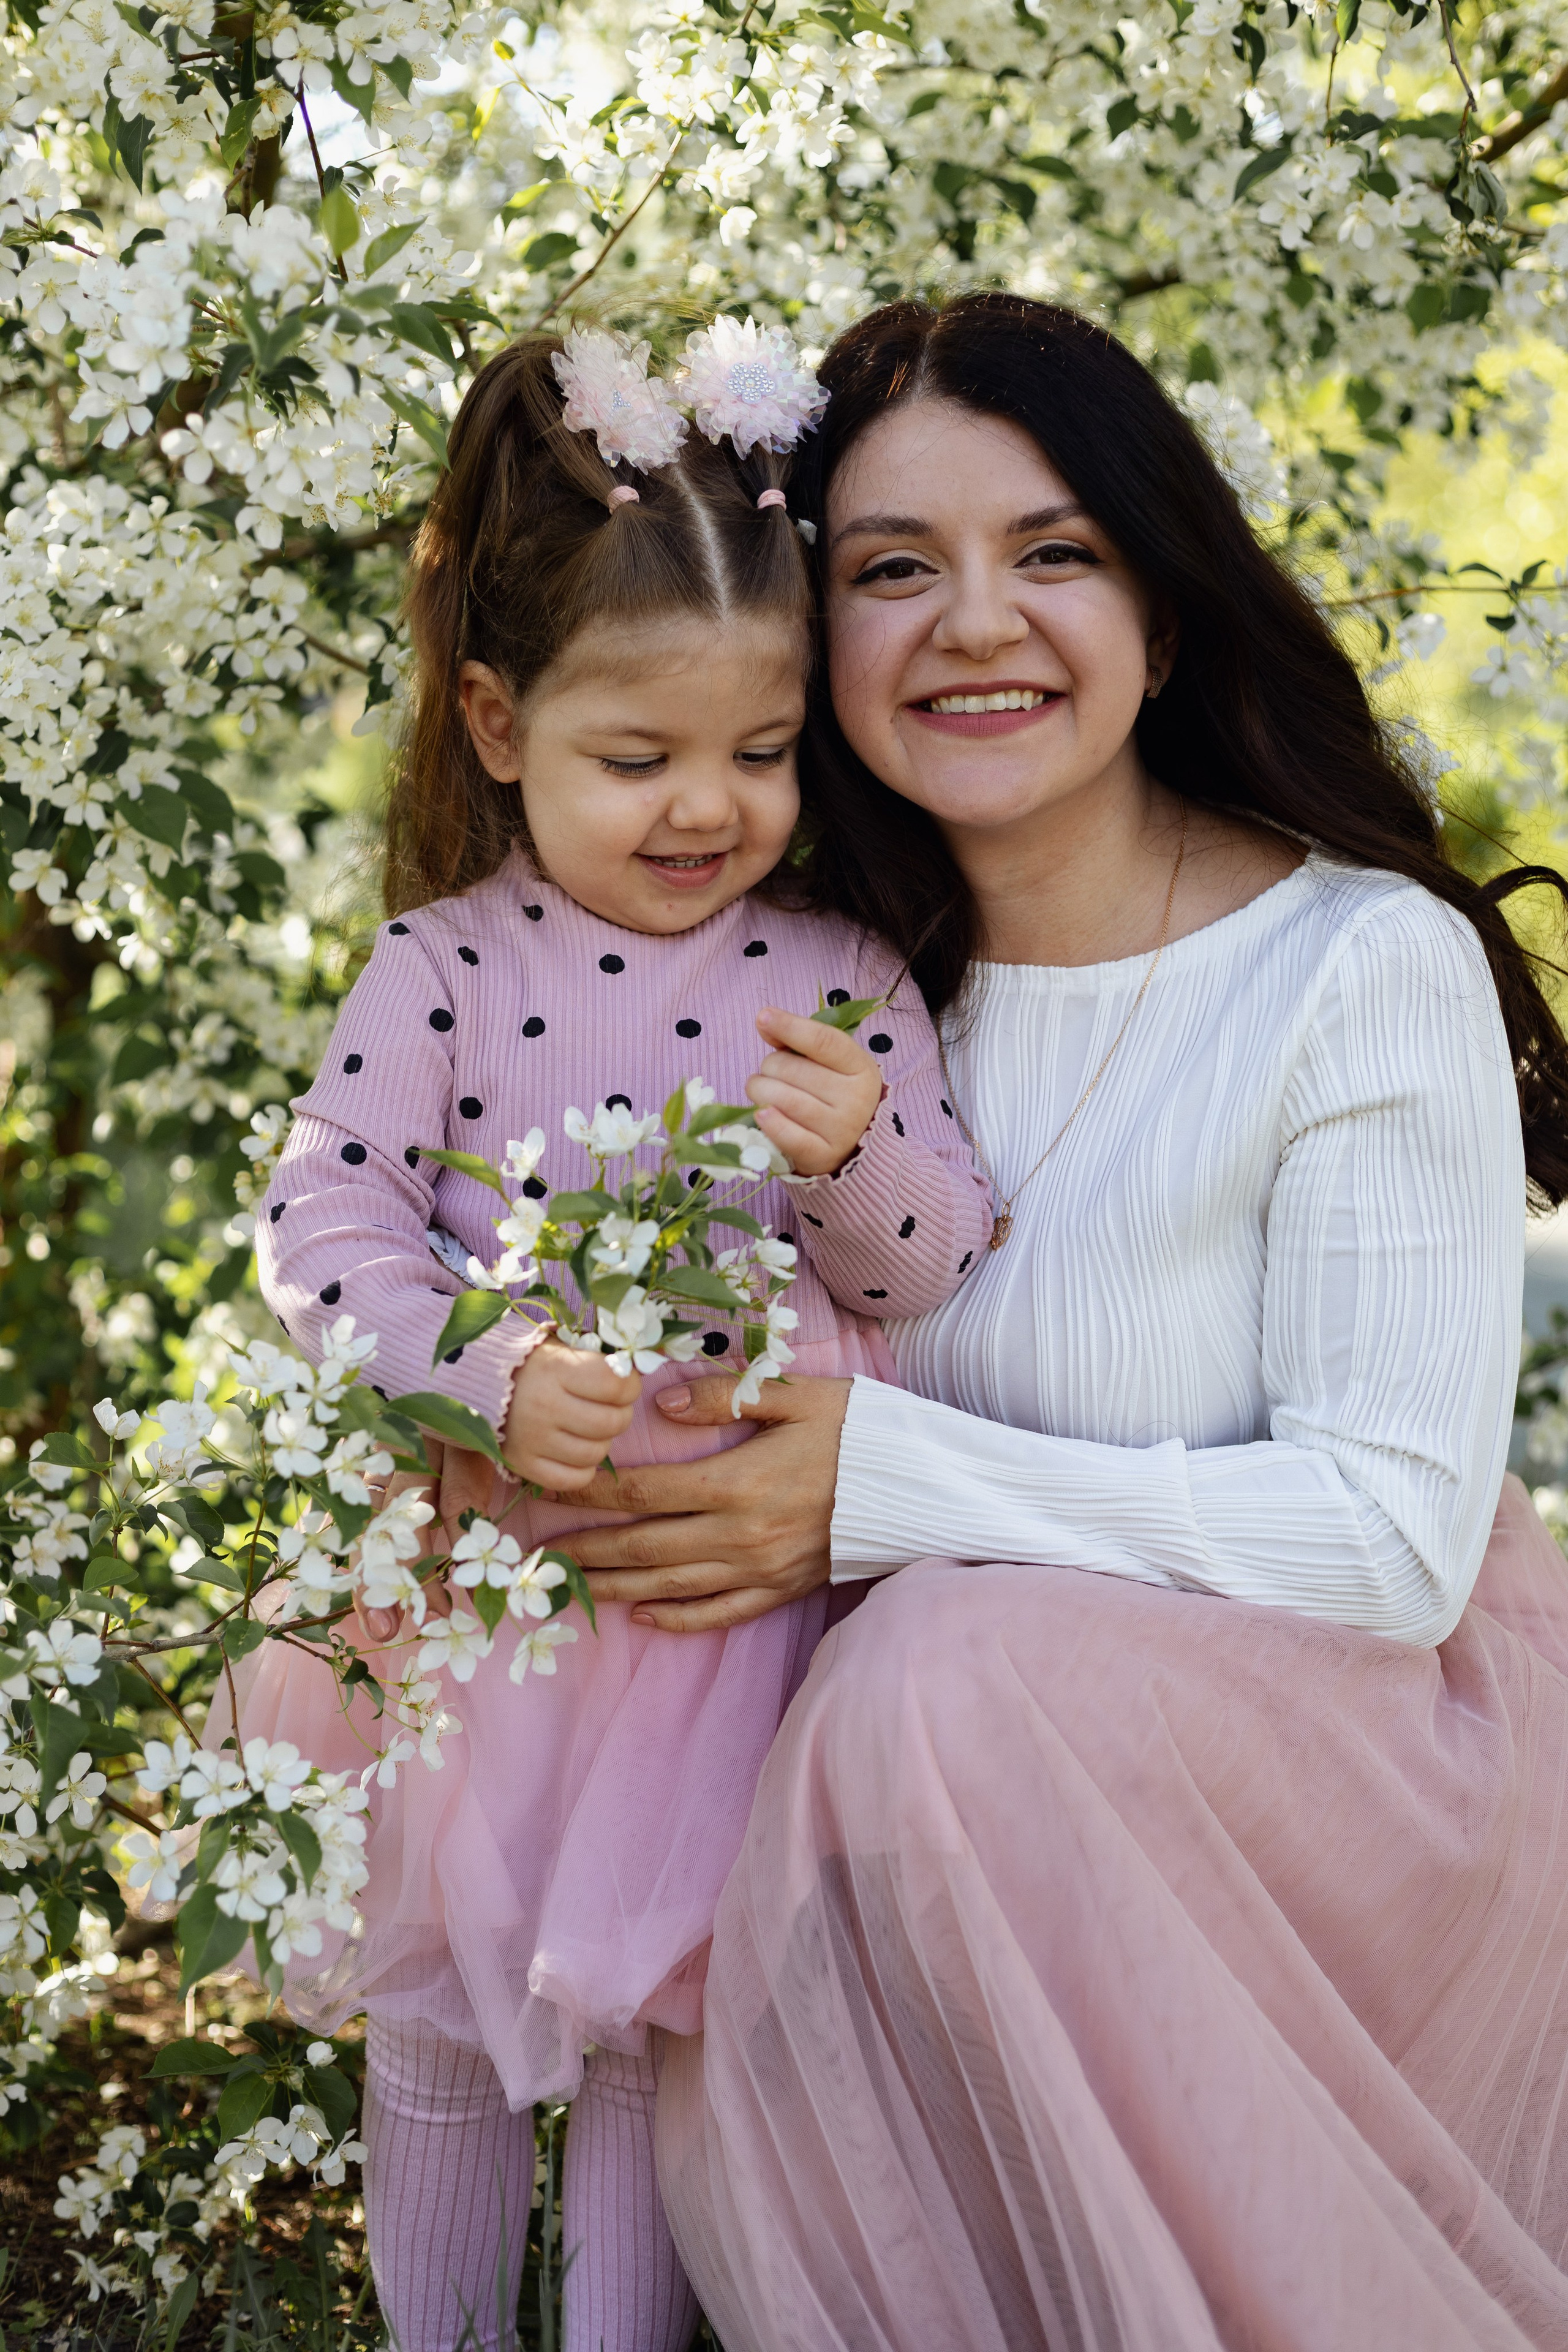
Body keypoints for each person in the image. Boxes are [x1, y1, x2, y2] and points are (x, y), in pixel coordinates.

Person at [486, 294, 1568, 2348]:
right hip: (904, 1869)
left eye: (1053, 552)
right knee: (892, 1702)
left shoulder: (1353, 963)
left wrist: (885, 1491)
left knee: (950, 1670)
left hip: (1342, 1828)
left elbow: (1394, 1541)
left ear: (1163, 612)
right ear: (812, 653)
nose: (976, 621)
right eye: (896, 570)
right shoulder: (814, 994)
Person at [239, 326, 991, 2352]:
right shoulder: (441, 968)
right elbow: (322, 1227)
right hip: (495, 1602)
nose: (706, 810)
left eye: (759, 755)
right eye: (636, 758)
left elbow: (933, 1262)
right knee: (453, 2020)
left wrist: (846, 1169)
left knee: (669, 2021)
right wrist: (480, 1374)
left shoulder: (842, 975)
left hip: (728, 1633)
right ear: (496, 722)